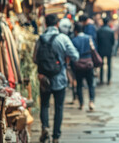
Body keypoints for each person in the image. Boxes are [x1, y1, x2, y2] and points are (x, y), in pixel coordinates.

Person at [34, 14, 80, 143]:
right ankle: (55, 137)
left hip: (44, 79)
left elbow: (34, 58)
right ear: (57, 24)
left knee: (44, 105)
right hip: (59, 78)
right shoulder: (63, 38)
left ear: (46, 24)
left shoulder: (40, 39)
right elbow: (75, 56)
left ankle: (45, 127)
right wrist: (66, 57)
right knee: (59, 107)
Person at [71, 22, 96, 111]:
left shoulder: (74, 40)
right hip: (88, 64)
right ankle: (91, 101)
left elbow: (72, 54)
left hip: (78, 65)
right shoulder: (89, 38)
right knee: (91, 84)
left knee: (79, 85)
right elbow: (94, 49)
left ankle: (81, 103)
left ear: (76, 31)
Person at [96, 18, 115, 85]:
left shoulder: (99, 30)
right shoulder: (111, 31)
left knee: (101, 65)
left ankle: (101, 79)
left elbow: (97, 41)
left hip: (101, 50)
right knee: (109, 65)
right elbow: (113, 42)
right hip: (108, 50)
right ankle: (108, 80)